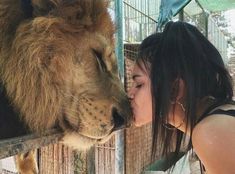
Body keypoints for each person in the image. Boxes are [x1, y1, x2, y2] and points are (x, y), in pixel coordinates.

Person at [128, 21, 235, 173]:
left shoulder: (210, 132)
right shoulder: (218, 118)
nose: (130, 94)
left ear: (174, 89)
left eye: (139, 84)